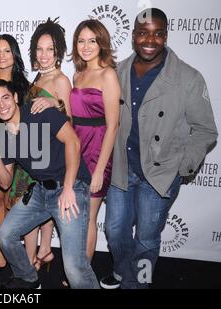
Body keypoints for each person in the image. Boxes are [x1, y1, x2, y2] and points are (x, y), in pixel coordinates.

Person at [100, 8, 218, 289]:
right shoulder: (117, 73)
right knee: (114, 230)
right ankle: (121, 270)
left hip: (160, 174)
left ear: (165, 36)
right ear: (133, 37)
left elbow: (205, 130)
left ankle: (138, 283)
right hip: (123, 169)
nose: (149, 40)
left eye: (157, 33)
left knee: (147, 239)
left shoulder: (188, 78)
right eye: (143, 33)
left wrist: (182, 166)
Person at [0, 79, 99, 289]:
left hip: (71, 186)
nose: (2, 106)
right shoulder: (3, 136)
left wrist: (68, 188)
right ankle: (27, 278)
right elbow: (6, 182)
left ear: (16, 98)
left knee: (74, 267)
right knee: (5, 235)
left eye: (6, 98)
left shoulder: (40, 111)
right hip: (40, 191)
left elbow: (73, 141)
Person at [13, 18, 72, 272]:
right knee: (35, 211)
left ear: (58, 51)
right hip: (30, 150)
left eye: (50, 49)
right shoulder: (37, 77)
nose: (44, 54)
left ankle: (33, 261)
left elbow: (70, 121)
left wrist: (55, 104)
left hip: (48, 152)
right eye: (39, 49)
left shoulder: (61, 81)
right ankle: (43, 251)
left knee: (41, 206)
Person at [70, 19, 120, 260]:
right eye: (81, 41)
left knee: (89, 218)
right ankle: (75, 269)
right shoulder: (77, 75)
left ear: (102, 43)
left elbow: (112, 127)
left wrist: (100, 170)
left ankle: (83, 276)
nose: (86, 46)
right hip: (76, 149)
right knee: (76, 217)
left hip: (97, 151)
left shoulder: (108, 74)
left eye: (92, 40)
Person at [0, 34, 30, 271]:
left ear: (15, 54)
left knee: (14, 202)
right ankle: (2, 249)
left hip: (18, 149)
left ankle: (15, 248)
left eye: (7, 51)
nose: (1, 56)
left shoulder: (23, 84)